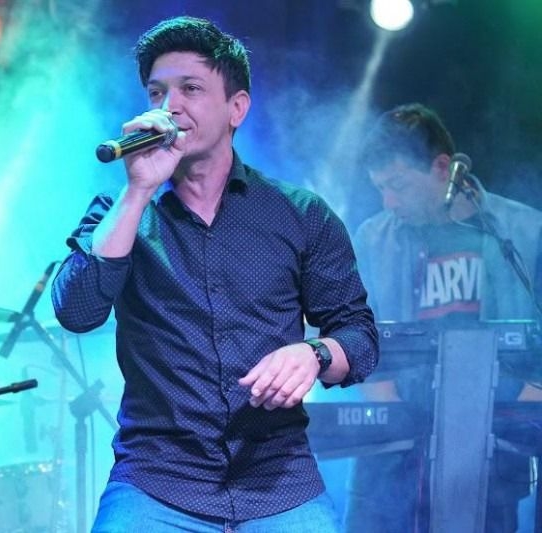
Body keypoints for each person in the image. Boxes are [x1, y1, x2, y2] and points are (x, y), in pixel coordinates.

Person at [51, 16, 379, 532]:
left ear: (237, 108)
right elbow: (76, 311)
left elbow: (359, 335)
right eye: (157, 92)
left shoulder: (300, 215)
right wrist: (137, 191)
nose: (170, 106)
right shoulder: (120, 213)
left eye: (191, 88)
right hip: (157, 481)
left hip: (280, 481)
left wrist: (313, 354)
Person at [347, 102, 542, 532]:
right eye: (380, 188)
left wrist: (519, 419)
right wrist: (393, 421)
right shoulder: (374, 238)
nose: (389, 202)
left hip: (496, 448)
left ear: (442, 168)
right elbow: (357, 335)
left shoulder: (524, 231)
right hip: (395, 451)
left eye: (398, 185)